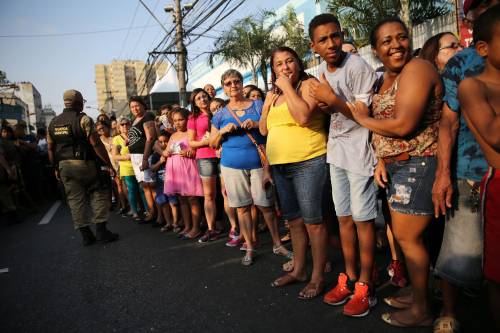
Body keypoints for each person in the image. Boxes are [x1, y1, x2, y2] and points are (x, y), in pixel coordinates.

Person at [349, 17, 443, 327]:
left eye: (401, 37)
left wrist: (361, 118)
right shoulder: (385, 78)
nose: (396, 45)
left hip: (418, 161)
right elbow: (384, 131)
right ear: (375, 50)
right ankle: (420, 296)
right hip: (396, 166)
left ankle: (422, 310)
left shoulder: (417, 68)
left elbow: (404, 125)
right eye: (386, 41)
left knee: (409, 238)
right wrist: (380, 160)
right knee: (408, 240)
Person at [431, 1, 499, 331]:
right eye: (482, 4)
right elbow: (448, 121)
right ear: (468, 15)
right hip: (471, 172)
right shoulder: (462, 64)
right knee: (459, 248)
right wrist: (443, 173)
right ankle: (448, 312)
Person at [308, 14, 378, 316]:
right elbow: (327, 112)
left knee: (364, 221)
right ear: (314, 46)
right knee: (344, 218)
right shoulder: (321, 72)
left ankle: (366, 285)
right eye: (323, 39)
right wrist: (325, 104)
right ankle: (348, 278)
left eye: (335, 36)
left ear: (342, 35)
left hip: (360, 152)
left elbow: (363, 116)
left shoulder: (358, 66)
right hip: (336, 152)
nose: (331, 43)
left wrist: (331, 100)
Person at [259, 46, 327, 297]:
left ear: (298, 64)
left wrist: (286, 87)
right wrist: (267, 104)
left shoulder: (308, 85)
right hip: (280, 165)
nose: (285, 67)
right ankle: (299, 269)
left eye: (289, 62)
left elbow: (303, 118)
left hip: (308, 160)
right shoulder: (273, 96)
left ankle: (318, 277)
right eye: (278, 64)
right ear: (273, 69)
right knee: (295, 221)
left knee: (313, 223)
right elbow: (264, 131)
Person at [210, 69, 291, 266]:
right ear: (224, 87)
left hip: (259, 163)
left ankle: (277, 244)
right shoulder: (220, 114)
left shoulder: (257, 105)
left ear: (241, 84)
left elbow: (270, 127)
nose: (233, 85)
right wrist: (222, 131)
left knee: (266, 206)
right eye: (228, 83)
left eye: (236, 81)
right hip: (231, 165)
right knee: (242, 208)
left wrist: (255, 123)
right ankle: (249, 246)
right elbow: (213, 143)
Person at [458, 5, 500, 330]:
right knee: (497, 274)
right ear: (483, 48)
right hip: (497, 185)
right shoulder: (474, 86)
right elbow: (494, 135)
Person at [47, 89, 118, 245]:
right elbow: (96, 143)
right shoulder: (83, 119)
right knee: (99, 192)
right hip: (86, 164)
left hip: (64, 166)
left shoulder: (52, 123)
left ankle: (86, 235)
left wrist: (55, 168)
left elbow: (50, 148)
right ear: (78, 103)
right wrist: (108, 163)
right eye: (83, 103)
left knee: (75, 200)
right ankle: (101, 230)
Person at [164, 108, 203, 239]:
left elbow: (197, 150)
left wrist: (190, 152)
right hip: (175, 169)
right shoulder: (173, 136)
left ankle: (196, 228)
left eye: (181, 119)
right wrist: (166, 152)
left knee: (192, 198)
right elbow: (166, 150)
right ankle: (187, 226)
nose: (178, 123)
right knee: (182, 199)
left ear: (187, 119)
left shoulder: (192, 133)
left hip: (188, 168)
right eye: (175, 121)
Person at [187, 88, 220, 242]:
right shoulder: (193, 118)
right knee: (209, 195)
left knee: (227, 194)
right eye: (198, 98)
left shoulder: (218, 110)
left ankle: (236, 228)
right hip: (205, 157)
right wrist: (207, 141)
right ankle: (211, 228)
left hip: (225, 154)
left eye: (204, 96)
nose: (202, 100)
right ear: (194, 102)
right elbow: (191, 142)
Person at [128, 96, 157, 222]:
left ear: (143, 105)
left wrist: (145, 159)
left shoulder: (147, 117)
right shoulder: (135, 120)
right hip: (135, 156)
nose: (134, 108)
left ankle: (157, 213)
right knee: (144, 186)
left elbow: (150, 138)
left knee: (150, 185)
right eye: (132, 106)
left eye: (137, 105)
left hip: (143, 155)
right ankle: (151, 211)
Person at [112, 116, 146, 221]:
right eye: (122, 124)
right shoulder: (117, 139)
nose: (125, 126)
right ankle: (135, 212)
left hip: (139, 165)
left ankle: (147, 210)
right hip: (126, 167)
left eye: (127, 123)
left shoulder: (136, 135)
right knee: (131, 189)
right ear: (118, 127)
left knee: (143, 189)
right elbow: (115, 156)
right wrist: (126, 157)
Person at [150, 133, 180, 230]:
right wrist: (160, 161)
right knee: (164, 203)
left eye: (165, 141)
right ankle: (168, 223)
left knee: (173, 203)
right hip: (160, 184)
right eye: (160, 142)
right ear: (156, 144)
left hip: (172, 183)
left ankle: (175, 223)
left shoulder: (172, 154)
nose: (163, 144)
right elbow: (152, 168)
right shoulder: (155, 156)